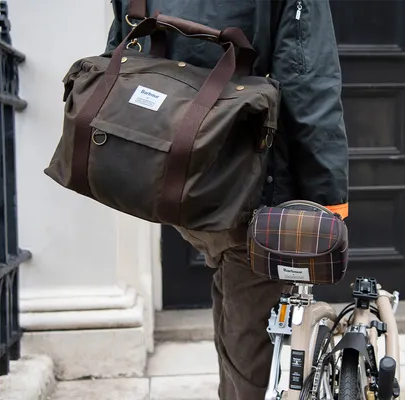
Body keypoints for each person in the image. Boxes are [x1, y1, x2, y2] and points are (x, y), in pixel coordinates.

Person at [105, 1, 348, 398]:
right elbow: (308, 82)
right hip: (250, 184)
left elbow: (126, 49)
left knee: (231, 293)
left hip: (177, 177)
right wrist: (328, 199)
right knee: (253, 343)